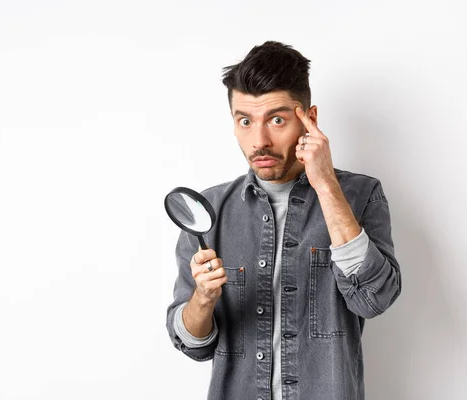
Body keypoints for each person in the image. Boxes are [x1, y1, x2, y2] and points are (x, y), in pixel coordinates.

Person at [166, 41, 402, 400]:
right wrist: (203, 298)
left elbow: (373, 299)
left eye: (277, 120)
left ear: (309, 119)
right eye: (245, 121)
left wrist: (325, 184)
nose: (259, 140)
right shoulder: (208, 211)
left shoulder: (359, 195)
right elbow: (193, 345)